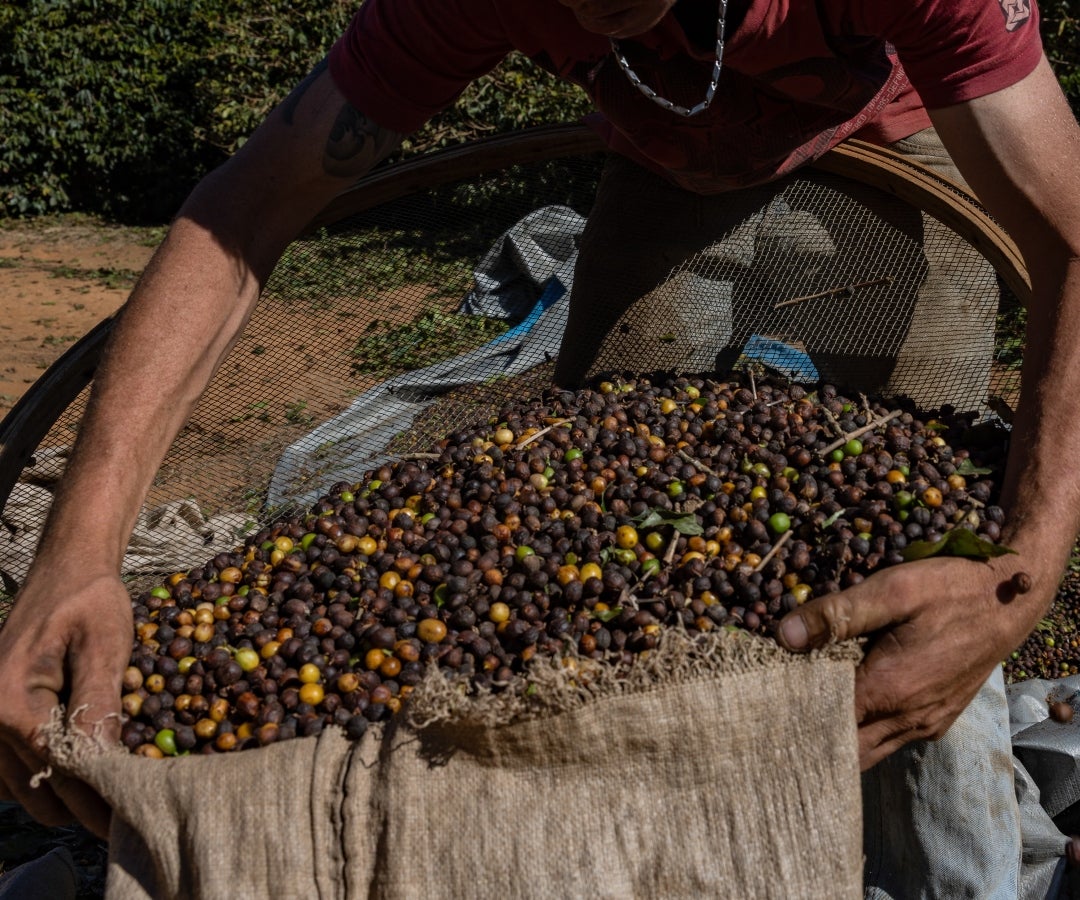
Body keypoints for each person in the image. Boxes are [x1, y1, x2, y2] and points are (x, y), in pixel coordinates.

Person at [1, 0, 1078, 893]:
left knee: (918, 558)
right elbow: (241, 214)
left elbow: (1074, 235)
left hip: (908, 141)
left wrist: (1018, 581)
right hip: (669, 160)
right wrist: (78, 550)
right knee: (598, 532)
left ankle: (954, 873)